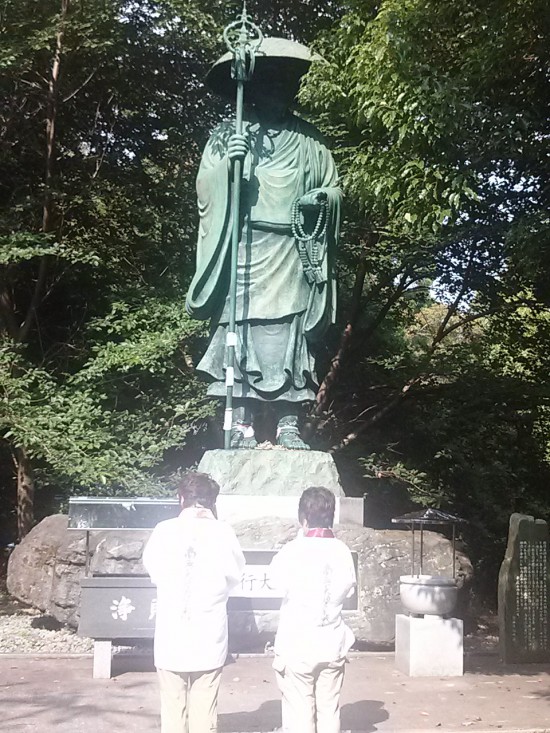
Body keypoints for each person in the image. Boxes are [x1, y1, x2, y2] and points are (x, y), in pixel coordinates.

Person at [185, 37, 342, 450]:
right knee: (240, 329)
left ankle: (289, 422)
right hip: (244, 247)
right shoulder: (228, 134)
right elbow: (205, 188)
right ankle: (239, 423)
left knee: (287, 334)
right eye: (268, 85)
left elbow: (335, 190)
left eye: (284, 86)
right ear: (253, 89)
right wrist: (227, 167)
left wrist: (321, 199)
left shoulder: (312, 142)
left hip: (291, 249)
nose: (277, 93)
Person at [143, 472, 245, 733]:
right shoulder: (224, 532)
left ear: (181, 499)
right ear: (212, 501)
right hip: (208, 633)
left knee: (172, 709)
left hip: (171, 633)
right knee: (204, 708)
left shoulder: (163, 530)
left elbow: (153, 571)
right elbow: (235, 575)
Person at [269, 487, 356, 733]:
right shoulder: (342, 551)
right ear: (332, 516)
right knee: (329, 709)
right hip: (332, 641)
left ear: (303, 518)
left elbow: (275, 583)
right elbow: (349, 591)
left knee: (299, 713)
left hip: (298, 645)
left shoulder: (292, 551)